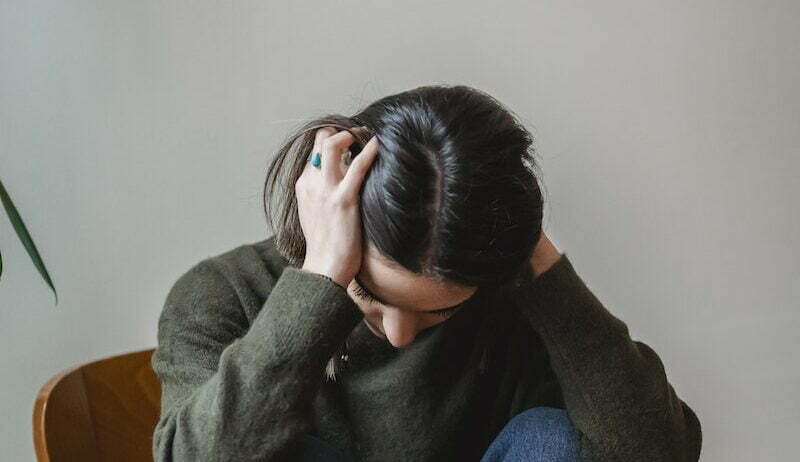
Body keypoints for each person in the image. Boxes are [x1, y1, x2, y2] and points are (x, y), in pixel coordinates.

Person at [150, 85, 702, 461]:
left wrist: (538, 260)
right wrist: (320, 282)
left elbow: (657, 451)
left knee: (552, 439)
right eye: (368, 292)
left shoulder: (501, 296)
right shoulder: (223, 295)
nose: (399, 335)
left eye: (438, 309)